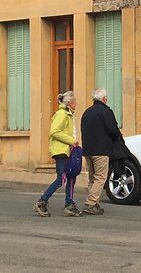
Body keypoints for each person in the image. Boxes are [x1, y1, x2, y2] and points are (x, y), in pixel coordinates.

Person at [33, 91, 83, 217]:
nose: (76, 104)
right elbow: (54, 131)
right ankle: (42, 201)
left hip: (68, 150)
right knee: (62, 178)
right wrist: (72, 141)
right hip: (61, 151)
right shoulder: (62, 114)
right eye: (75, 101)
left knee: (71, 177)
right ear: (70, 103)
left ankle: (69, 204)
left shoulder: (69, 114)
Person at [81, 87, 121, 215]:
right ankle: (91, 203)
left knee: (92, 178)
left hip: (88, 150)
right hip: (101, 150)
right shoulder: (106, 112)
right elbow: (113, 130)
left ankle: (95, 203)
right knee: (100, 177)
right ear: (104, 99)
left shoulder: (86, 112)